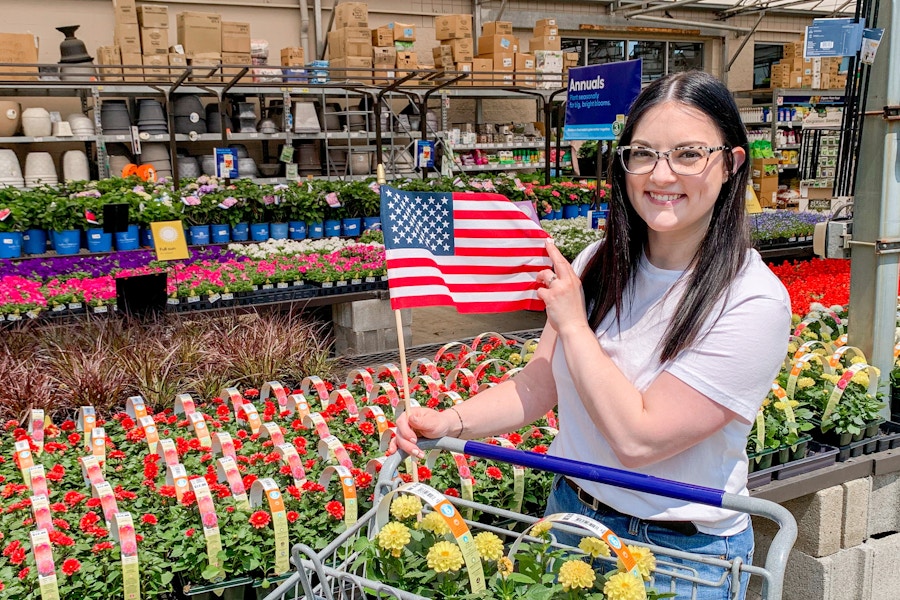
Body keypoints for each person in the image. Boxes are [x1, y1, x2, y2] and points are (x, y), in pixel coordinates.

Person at [393, 70, 791, 600]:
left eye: (689, 154)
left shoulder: (751, 301)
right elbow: (542, 382)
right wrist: (448, 422)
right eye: (643, 153)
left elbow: (639, 439)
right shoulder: (600, 263)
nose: (662, 174)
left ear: (731, 163)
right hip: (570, 519)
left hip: (677, 556)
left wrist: (575, 324)